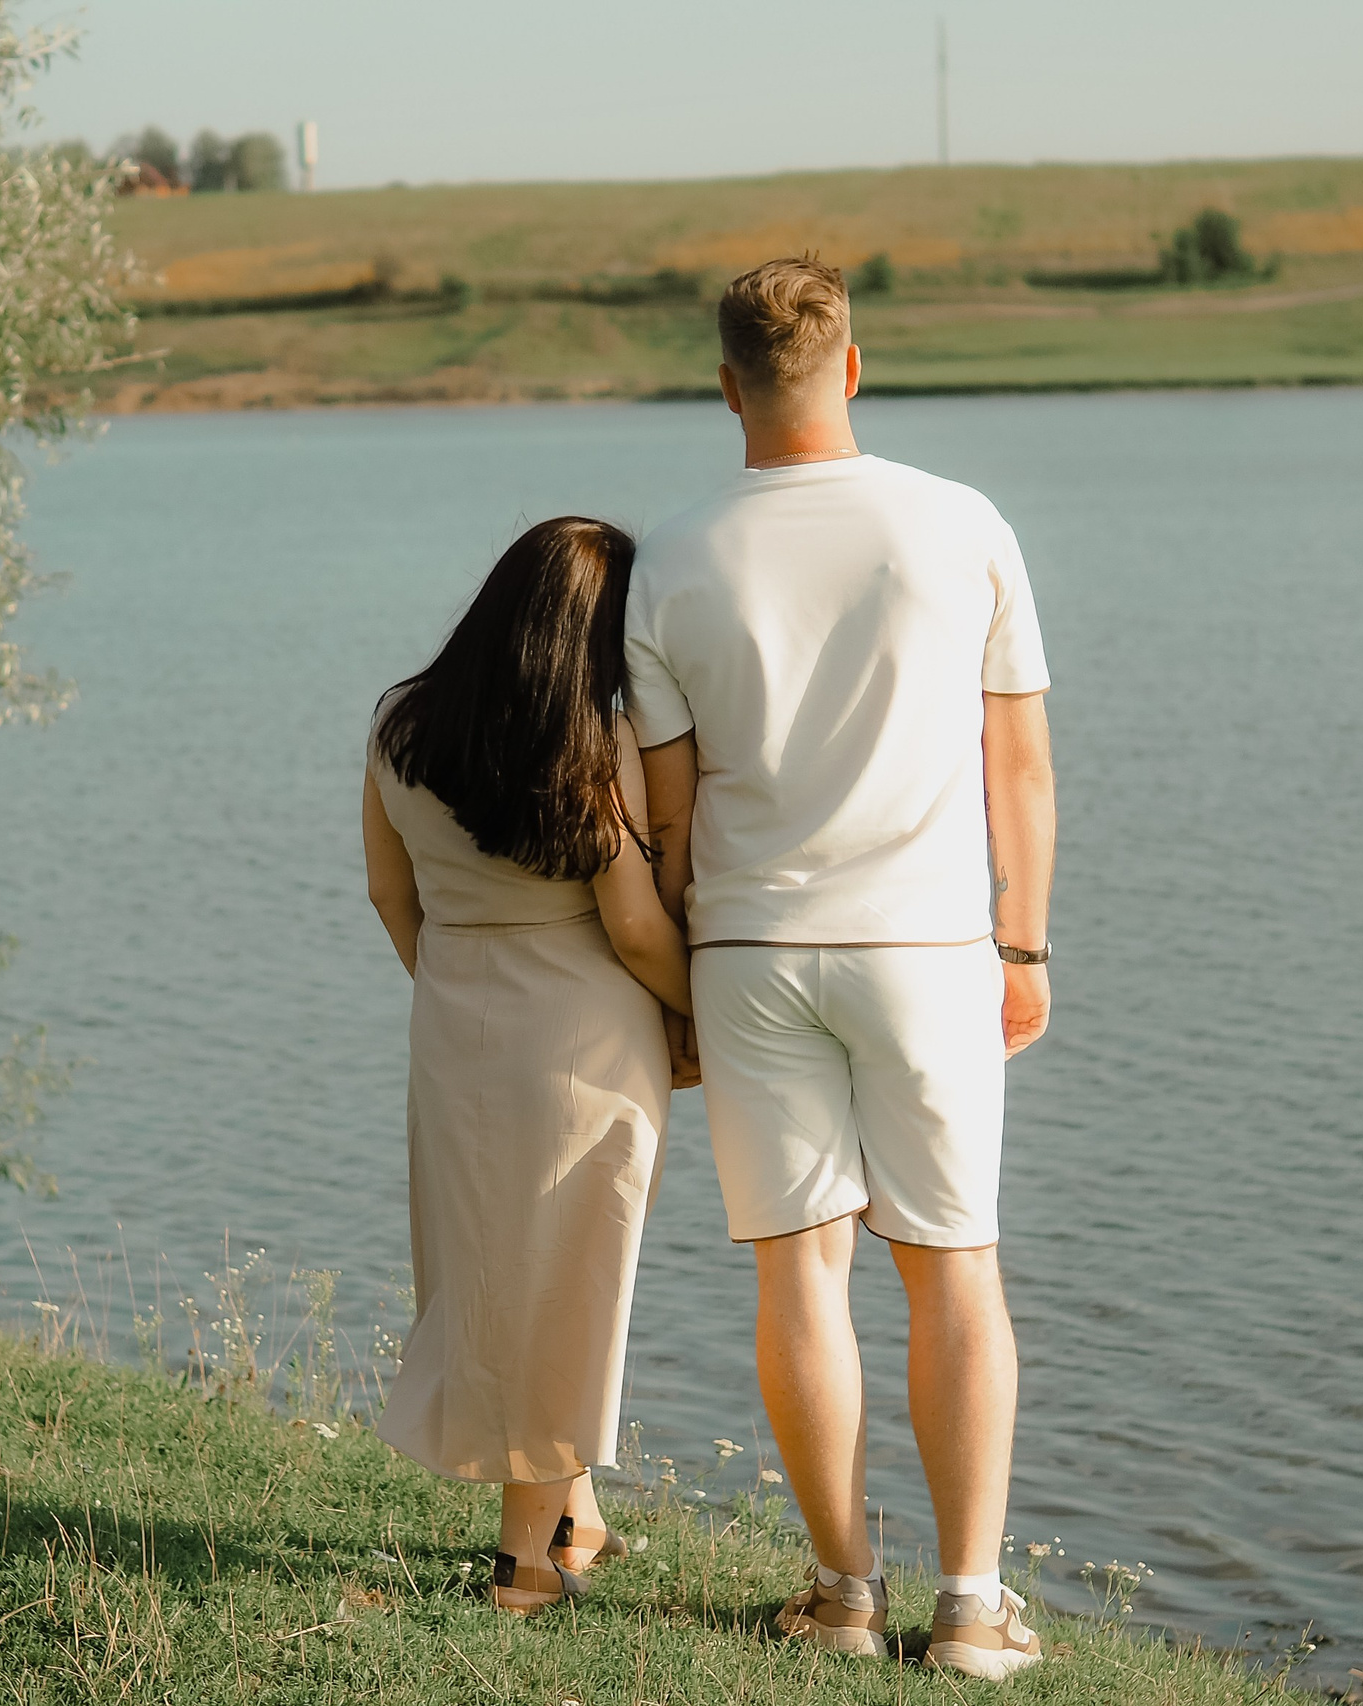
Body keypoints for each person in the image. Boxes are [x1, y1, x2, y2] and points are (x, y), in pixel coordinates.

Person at [625, 257, 1059, 1677]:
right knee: (954, 1265)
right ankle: (975, 1611)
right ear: (854, 367)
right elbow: (1021, 763)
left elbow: (670, 815)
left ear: (726, 386)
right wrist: (1027, 937)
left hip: (751, 950)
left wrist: (683, 983)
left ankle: (841, 1594)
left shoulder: (672, 555)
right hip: (933, 948)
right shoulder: (962, 523)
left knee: (801, 1269)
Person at [362, 516, 698, 1614]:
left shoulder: (398, 723)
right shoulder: (593, 749)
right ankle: (522, 1565)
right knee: (568, 1288)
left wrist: (449, 982)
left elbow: (388, 891)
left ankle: (572, 1511)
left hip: (454, 1019)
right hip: (586, 1038)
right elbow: (640, 930)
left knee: (491, 1276)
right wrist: (712, 1018)